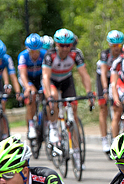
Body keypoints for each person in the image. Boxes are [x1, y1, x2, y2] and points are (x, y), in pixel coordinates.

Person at [42, 28, 94, 167]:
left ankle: (76, 152)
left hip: (66, 81)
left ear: (72, 45)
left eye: (67, 46)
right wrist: (49, 98)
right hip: (52, 81)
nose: (65, 49)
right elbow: (45, 77)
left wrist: (89, 92)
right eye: (61, 45)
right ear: (56, 45)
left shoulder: (76, 54)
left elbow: (84, 74)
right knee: (52, 97)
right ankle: (53, 127)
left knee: (73, 113)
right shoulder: (50, 55)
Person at [97, 30, 124, 152]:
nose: (116, 48)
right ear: (109, 45)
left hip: (117, 78)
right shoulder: (105, 54)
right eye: (114, 46)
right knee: (103, 107)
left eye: (119, 45)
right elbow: (103, 73)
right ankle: (104, 139)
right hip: (104, 77)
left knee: (117, 106)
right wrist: (105, 89)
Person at [18, 33, 47, 140]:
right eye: (32, 51)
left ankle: (46, 122)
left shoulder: (45, 54)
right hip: (28, 79)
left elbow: (46, 74)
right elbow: (23, 75)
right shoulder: (23, 56)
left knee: (47, 93)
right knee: (32, 94)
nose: (35, 54)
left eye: (37, 51)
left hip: (40, 78)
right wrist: (27, 87)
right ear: (27, 49)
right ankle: (31, 125)